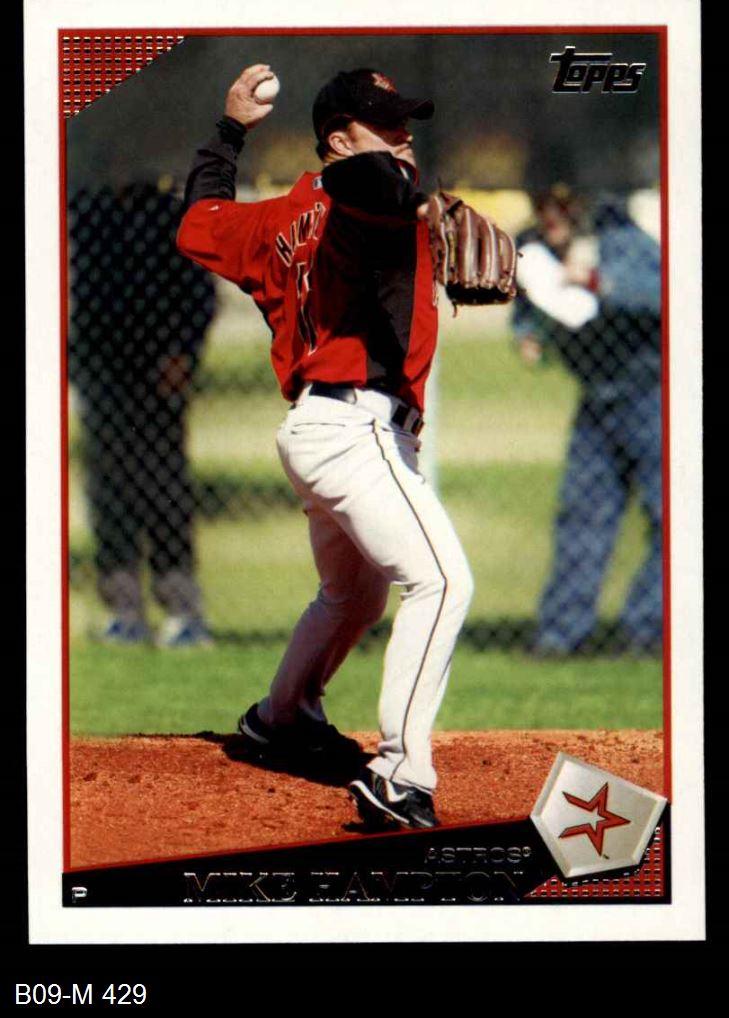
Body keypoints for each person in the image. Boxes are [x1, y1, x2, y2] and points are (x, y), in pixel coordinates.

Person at [177, 64, 476, 829]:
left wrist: (229, 132)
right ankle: (399, 776)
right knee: (442, 583)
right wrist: (417, 201)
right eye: (384, 123)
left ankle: (282, 718)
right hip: (354, 429)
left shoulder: (278, 218)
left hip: (320, 430)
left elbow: (200, 217)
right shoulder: (367, 197)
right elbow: (368, 186)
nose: (403, 135)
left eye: (405, 121)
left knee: (353, 596)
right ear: (337, 141)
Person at [513, 185, 662, 656]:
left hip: (652, 396)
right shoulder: (533, 252)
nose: (551, 218)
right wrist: (527, 333)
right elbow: (527, 307)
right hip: (596, 401)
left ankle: (647, 630)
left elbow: (663, 295)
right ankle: (561, 636)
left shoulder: (624, 243)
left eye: (563, 207)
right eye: (544, 208)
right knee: (581, 518)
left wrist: (597, 281)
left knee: (670, 516)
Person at [69, 180, 216, 647]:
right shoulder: (83, 212)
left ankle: (181, 609)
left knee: (164, 482)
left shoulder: (170, 216)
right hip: (100, 368)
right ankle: (123, 608)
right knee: (109, 485)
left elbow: (200, 292)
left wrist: (182, 351)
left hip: (159, 369)